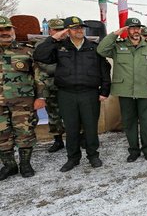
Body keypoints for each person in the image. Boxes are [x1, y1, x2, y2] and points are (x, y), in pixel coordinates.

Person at [34, 16, 111, 172]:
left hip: (89, 93)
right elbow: (39, 56)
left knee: (90, 127)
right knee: (71, 128)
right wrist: (54, 38)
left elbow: (104, 69)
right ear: (67, 30)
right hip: (67, 94)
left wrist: (104, 91)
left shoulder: (93, 47)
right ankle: (73, 158)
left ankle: (93, 155)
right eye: (75, 28)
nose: (79, 30)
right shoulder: (59, 47)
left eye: (81, 27)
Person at [97, 18, 147, 162]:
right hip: (125, 90)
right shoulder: (117, 46)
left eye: (137, 28)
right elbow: (101, 50)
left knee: (146, 122)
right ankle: (133, 150)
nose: (136, 31)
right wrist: (115, 34)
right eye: (132, 28)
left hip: (145, 89)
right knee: (129, 122)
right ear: (126, 30)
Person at [0, 16, 47, 180]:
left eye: (8, 29)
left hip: (22, 102)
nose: (5, 33)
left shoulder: (26, 50)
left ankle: (25, 164)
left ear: (13, 31)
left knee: (25, 133)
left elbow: (38, 76)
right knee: (1, 135)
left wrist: (40, 97)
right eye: (1, 30)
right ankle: (9, 165)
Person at [35, 18, 66, 153]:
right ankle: (58, 140)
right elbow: (44, 66)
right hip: (51, 85)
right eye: (56, 30)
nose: (60, 33)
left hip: (68, 86)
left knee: (74, 113)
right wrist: (65, 68)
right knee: (54, 115)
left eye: (62, 29)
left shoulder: (69, 43)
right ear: (50, 30)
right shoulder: (42, 44)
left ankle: (80, 138)